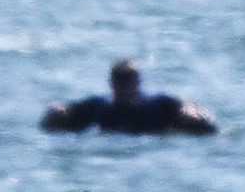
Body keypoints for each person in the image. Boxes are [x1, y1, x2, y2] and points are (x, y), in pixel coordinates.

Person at [42, 58, 217, 136]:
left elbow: (196, 113)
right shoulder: (99, 107)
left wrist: (192, 111)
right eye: (120, 82)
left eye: (129, 82)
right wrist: (56, 112)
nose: (124, 88)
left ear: (138, 83)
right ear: (112, 83)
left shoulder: (156, 105)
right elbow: (61, 117)